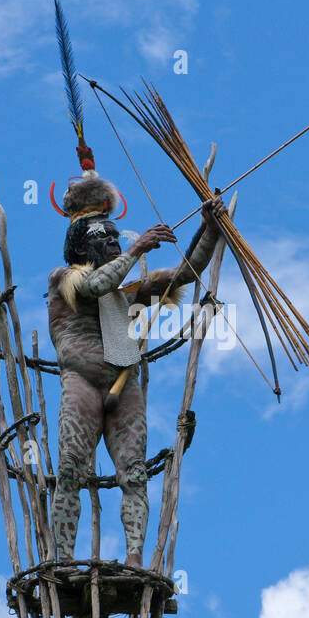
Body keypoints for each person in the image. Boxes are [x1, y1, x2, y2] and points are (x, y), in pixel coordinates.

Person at [47, 170, 225, 567]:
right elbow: (95, 287)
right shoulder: (66, 279)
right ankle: (62, 558)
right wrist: (138, 247)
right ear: (82, 246)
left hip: (122, 386)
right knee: (71, 471)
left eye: (117, 236)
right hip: (82, 382)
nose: (114, 242)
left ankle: (133, 558)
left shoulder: (128, 291)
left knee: (135, 475)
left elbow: (185, 273)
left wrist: (208, 227)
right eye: (103, 238)